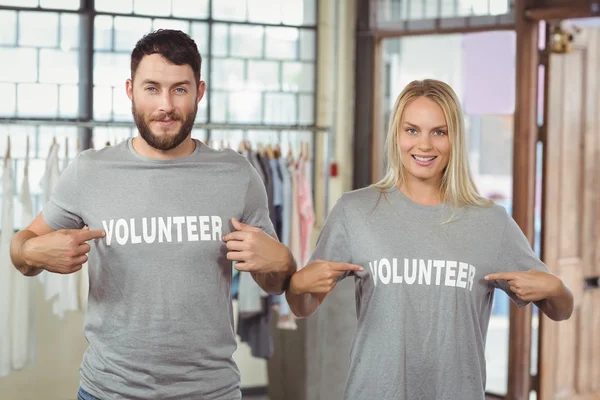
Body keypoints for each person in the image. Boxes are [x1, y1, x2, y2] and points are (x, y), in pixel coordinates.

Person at [9, 29, 296, 400]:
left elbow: (274, 282)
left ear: (200, 92)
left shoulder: (237, 173)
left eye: (180, 89)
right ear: (130, 90)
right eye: (151, 88)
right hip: (108, 391)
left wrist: (282, 263)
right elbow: (21, 250)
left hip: (211, 391)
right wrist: (32, 254)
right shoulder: (88, 171)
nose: (166, 105)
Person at [285, 79, 574, 400]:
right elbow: (303, 307)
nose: (424, 145)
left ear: (455, 140)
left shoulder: (491, 222)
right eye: (411, 130)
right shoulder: (355, 211)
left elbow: (560, 310)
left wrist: (558, 289)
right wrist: (296, 286)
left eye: (439, 131)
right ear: (396, 136)